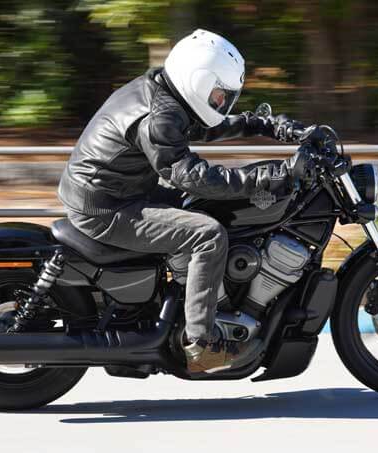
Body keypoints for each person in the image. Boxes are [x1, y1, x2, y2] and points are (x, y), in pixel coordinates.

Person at [58, 29, 310, 374]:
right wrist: (266, 177)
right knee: (208, 234)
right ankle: (201, 344)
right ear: (198, 80)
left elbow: (202, 127)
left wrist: (262, 124)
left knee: (202, 206)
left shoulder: (163, 93)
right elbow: (190, 175)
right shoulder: (158, 114)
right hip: (107, 207)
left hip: (116, 191)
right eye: (219, 95)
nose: (221, 102)